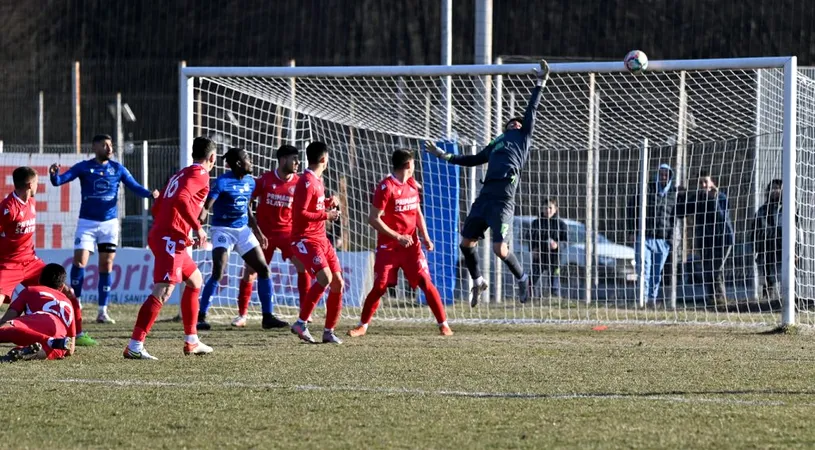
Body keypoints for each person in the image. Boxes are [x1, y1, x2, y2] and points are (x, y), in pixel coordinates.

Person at [425, 60, 549, 306]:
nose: (515, 123)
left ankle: (523, 279)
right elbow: (472, 159)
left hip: (503, 200)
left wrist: (539, 83)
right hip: (484, 198)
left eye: (518, 122)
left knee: (499, 250)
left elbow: (531, 111)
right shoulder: (496, 143)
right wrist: (445, 155)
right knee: (465, 243)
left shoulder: (523, 138)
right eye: (511, 122)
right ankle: (478, 280)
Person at [124, 136, 217, 360]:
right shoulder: (201, 174)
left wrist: (180, 233)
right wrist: (196, 228)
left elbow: (158, 207)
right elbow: (182, 199)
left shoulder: (181, 173)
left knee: (195, 281)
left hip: (169, 236)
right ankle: (135, 345)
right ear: (212, 157)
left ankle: (192, 341)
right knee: (164, 290)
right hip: (169, 239)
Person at [49, 134, 159, 324]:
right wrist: (54, 175)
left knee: (106, 265)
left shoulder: (117, 168)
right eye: (104, 145)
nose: (109, 148)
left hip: (109, 224)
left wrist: (150, 194)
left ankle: (102, 311)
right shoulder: (84, 167)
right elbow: (59, 181)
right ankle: (76, 304)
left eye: (110, 145)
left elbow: (134, 187)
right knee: (80, 261)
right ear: (94, 147)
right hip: (87, 223)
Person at [347, 149, 452, 337]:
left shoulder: (411, 184)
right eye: (413, 164)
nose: (414, 167)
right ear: (408, 165)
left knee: (425, 282)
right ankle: (362, 326)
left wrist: (425, 236)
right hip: (390, 247)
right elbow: (373, 219)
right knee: (380, 286)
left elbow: (417, 211)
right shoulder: (385, 187)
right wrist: (397, 236)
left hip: (412, 246)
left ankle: (444, 324)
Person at [0, 166, 93, 346]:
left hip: (31, 262)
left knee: (68, 292)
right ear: (29, 184)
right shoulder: (7, 208)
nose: (38, 186)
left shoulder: (32, 203)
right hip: (9, 264)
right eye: (36, 182)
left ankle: (78, 334)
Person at [196, 148, 288, 330]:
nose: (251, 161)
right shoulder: (222, 182)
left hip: (243, 230)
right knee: (218, 271)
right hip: (223, 230)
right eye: (248, 158)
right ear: (238, 163)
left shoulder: (250, 182)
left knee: (263, 269)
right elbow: (207, 206)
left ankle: (268, 317)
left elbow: (247, 208)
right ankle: (200, 317)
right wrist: (199, 224)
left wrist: (258, 232)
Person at [232, 144, 310, 327]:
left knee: (303, 266)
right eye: (294, 159)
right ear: (283, 160)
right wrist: (252, 226)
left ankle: (304, 313)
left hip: (288, 234)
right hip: (263, 235)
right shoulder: (265, 180)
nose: (297, 163)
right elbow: (247, 200)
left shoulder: (299, 183)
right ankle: (242, 315)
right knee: (250, 272)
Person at [289, 141, 343, 344]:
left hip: (321, 239)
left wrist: (326, 203)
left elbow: (313, 205)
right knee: (325, 277)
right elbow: (300, 213)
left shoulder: (318, 181)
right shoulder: (306, 181)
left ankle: (328, 331)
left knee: (338, 283)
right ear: (323, 159)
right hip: (305, 239)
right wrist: (326, 215)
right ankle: (301, 323)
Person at [626, 164, 684, 305]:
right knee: (644, 270)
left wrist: (671, 241)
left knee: (656, 273)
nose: (663, 176)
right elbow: (631, 209)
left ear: (670, 176)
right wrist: (631, 231)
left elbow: (677, 218)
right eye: (661, 173)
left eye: (666, 174)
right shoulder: (646, 190)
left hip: (662, 240)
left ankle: (652, 300)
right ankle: (642, 300)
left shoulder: (674, 195)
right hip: (644, 238)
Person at [0, 263, 78, 362]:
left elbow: (7, 320)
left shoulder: (31, 290)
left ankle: (48, 341)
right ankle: (28, 352)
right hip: (59, 335)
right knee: (54, 349)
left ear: (39, 280)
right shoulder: (68, 303)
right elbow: (70, 349)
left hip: (41, 319)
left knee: (6, 329)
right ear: (62, 287)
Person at [681, 170, 735, 305]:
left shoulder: (721, 197)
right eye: (701, 183)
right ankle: (712, 299)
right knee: (708, 270)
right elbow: (682, 212)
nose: (704, 185)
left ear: (712, 183)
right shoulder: (697, 198)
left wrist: (713, 199)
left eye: (706, 182)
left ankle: (720, 299)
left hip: (722, 239)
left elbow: (721, 218)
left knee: (716, 269)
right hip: (705, 240)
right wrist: (681, 196)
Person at [528, 198, 568, 299]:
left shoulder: (561, 224)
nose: (547, 210)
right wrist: (533, 249)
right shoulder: (536, 223)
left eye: (550, 208)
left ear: (555, 209)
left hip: (554, 258)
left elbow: (566, 241)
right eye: (545, 208)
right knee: (533, 279)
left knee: (554, 281)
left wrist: (557, 245)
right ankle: (532, 299)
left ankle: (554, 300)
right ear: (542, 209)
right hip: (539, 257)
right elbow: (529, 238)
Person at [752, 179, 783, 300]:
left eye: (777, 188)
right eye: (772, 188)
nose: (775, 191)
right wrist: (756, 249)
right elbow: (754, 231)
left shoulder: (790, 209)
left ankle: (786, 303)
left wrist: (797, 251)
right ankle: (767, 303)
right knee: (768, 279)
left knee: (784, 278)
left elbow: (798, 232)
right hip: (766, 251)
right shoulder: (762, 211)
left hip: (783, 250)